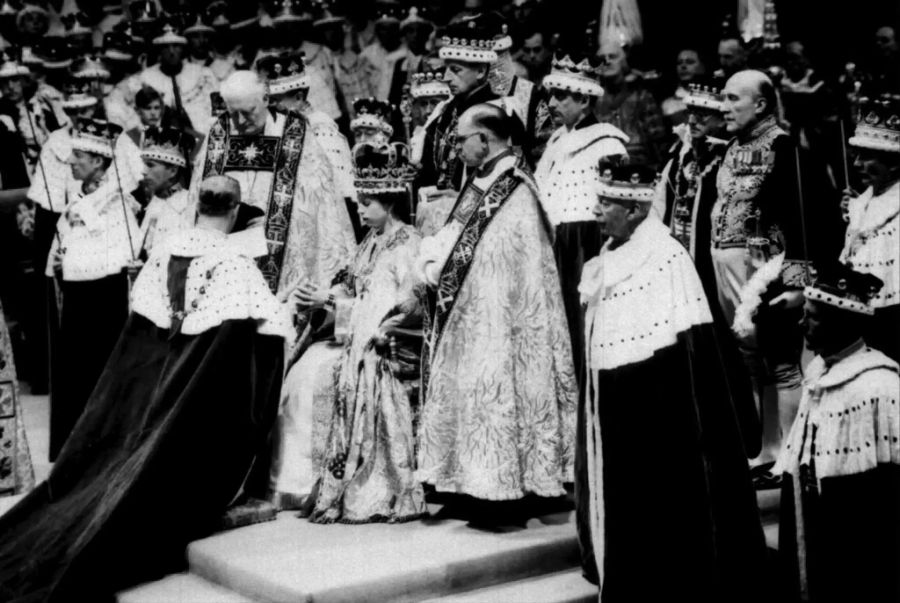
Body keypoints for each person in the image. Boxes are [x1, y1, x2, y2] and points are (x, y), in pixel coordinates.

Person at [0, 175, 292, 602]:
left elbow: (145, 324)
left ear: (196, 204)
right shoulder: (235, 262)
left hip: (148, 388)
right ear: (234, 210)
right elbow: (265, 332)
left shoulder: (163, 251)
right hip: (196, 404)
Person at [578, 162, 767, 602]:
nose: (595, 210)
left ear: (633, 209)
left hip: (657, 411)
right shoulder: (610, 251)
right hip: (614, 403)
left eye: (605, 203)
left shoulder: (666, 258)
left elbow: (690, 361)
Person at [409, 103, 576, 520]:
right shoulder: (482, 178)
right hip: (474, 314)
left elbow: (489, 258)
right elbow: (456, 236)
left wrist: (434, 266)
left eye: (461, 139)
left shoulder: (513, 188)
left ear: (485, 138)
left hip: (500, 320)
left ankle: (500, 488)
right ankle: (466, 482)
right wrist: (429, 261)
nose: (455, 148)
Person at [273, 142, 427, 523]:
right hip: (354, 335)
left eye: (365, 202)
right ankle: (295, 482)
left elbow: (396, 310)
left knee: (315, 378)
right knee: (301, 371)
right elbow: (351, 285)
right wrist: (323, 298)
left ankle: (329, 479)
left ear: (388, 202)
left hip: (385, 343)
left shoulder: (407, 246)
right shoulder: (370, 241)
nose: (358, 210)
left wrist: (336, 302)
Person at [717, 70, 843, 486]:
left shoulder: (785, 148)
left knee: (782, 360)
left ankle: (789, 450)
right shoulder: (732, 147)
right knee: (751, 360)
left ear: (762, 105)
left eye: (735, 99)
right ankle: (766, 449)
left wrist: (794, 283)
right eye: (725, 98)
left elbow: (804, 217)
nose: (725, 106)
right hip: (729, 268)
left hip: (767, 268)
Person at [189, 69, 356, 355]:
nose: (239, 123)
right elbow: (199, 200)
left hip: (285, 269)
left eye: (248, 112)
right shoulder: (219, 134)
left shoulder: (296, 134)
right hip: (229, 263)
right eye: (233, 113)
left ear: (266, 98)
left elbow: (319, 208)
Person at [775, 263, 900, 603]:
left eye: (811, 316)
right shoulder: (818, 374)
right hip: (816, 532)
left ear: (840, 321)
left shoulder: (880, 385)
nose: (801, 324)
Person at [44, 118, 141, 461]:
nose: (71, 162)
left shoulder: (118, 203)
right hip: (75, 299)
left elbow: (120, 256)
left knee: (102, 373)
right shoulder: (76, 198)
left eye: (79, 157)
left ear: (98, 161)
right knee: (74, 376)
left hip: (104, 302)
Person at [535, 49, 627, 387]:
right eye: (551, 95)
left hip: (586, 242)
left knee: (583, 325)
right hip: (556, 239)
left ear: (585, 101)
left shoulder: (606, 142)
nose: (551, 103)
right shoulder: (558, 139)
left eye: (561, 96)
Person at [257, 50, 360, 241]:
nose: (273, 107)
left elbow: (339, 187)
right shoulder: (278, 127)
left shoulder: (320, 126)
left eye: (278, 100)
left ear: (298, 97)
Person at [840, 94, 899, 361]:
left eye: (866, 157)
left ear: (894, 162)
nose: (856, 164)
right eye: (856, 155)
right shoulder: (862, 201)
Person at [119, 22, 218, 137]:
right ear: (159, 51)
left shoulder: (203, 74)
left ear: (182, 49)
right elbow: (133, 116)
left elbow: (217, 111)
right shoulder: (145, 78)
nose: (171, 52)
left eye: (176, 46)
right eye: (166, 47)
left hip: (202, 137)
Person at [594, 39, 668, 171]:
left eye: (612, 56)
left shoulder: (642, 96)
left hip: (639, 169)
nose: (607, 61)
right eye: (602, 58)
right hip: (600, 167)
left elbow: (658, 141)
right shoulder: (593, 100)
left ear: (623, 61)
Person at [139, 126, 195, 255]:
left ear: (173, 171)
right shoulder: (152, 202)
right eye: (144, 164)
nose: (143, 171)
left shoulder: (187, 206)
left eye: (150, 165)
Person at [661, 48, 707, 129]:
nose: (683, 66)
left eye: (689, 62)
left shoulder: (716, 97)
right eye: (679, 63)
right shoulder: (667, 105)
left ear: (702, 66)